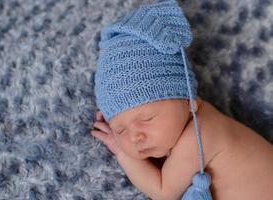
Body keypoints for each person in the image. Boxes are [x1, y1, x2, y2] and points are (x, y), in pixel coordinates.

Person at [90, 0, 273, 199]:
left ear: (188, 102)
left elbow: (163, 191)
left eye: (147, 119)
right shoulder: (186, 127)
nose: (135, 137)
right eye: (120, 130)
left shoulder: (200, 135)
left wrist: (121, 153)